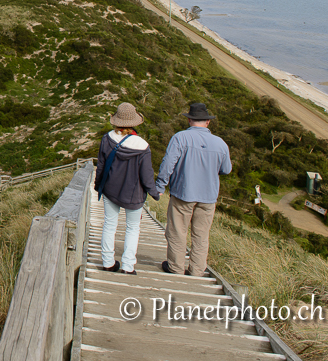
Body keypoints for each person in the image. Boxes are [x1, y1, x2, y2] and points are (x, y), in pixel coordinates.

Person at [155, 102, 232, 276]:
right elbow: (226, 169)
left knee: (177, 232)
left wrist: (160, 185)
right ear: (208, 122)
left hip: (183, 193)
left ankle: (176, 267)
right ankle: (197, 270)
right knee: (201, 235)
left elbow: (168, 164)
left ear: (189, 120)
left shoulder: (180, 138)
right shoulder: (220, 143)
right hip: (208, 197)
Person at [94, 102, 160, 275]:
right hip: (134, 194)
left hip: (110, 189)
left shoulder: (107, 139)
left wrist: (97, 185)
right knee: (132, 228)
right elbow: (146, 175)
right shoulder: (143, 146)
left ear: (116, 121)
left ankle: (108, 262)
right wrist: (154, 192)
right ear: (134, 123)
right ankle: (128, 266)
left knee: (109, 224)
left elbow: (100, 165)